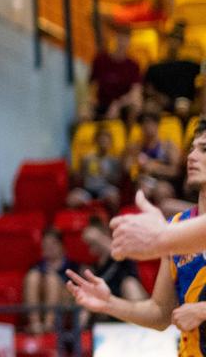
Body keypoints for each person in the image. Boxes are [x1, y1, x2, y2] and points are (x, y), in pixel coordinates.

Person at [71, 123, 206, 355]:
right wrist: (109, 303)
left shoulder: (171, 234)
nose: (192, 156)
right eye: (192, 148)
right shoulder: (176, 226)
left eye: (204, 149)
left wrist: (203, 311)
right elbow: (160, 313)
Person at [24, 228, 80, 334]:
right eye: (45, 243)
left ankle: (49, 327)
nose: (49, 247)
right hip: (42, 304)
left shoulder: (73, 266)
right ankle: (35, 324)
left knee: (52, 279)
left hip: (65, 304)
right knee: (32, 277)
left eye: (53, 243)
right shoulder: (36, 267)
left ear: (62, 246)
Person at [87, 28, 142, 121]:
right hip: (101, 103)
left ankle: (130, 133)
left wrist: (118, 104)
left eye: (126, 39)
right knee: (84, 112)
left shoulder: (133, 65)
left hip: (123, 105)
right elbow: (91, 85)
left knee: (136, 105)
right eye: (121, 39)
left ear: (129, 42)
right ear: (116, 39)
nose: (122, 43)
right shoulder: (100, 60)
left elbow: (136, 92)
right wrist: (89, 101)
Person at [145, 24, 200, 111]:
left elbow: (203, 72)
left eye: (178, 39)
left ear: (182, 43)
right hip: (160, 102)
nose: (174, 42)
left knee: (182, 105)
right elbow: (148, 88)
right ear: (167, 40)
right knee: (150, 106)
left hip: (184, 103)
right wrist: (158, 97)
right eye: (172, 38)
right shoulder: (155, 67)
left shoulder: (190, 66)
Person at [69, 128, 123, 213]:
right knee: (72, 199)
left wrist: (106, 174)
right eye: (101, 140)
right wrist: (77, 175)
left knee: (114, 197)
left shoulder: (113, 161)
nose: (103, 143)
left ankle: (113, 221)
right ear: (96, 141)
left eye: (106, 141)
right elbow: (80, 178)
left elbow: (117, 181)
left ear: (110, 143)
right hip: (88, 190)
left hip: (105, 189)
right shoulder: (87, 159)